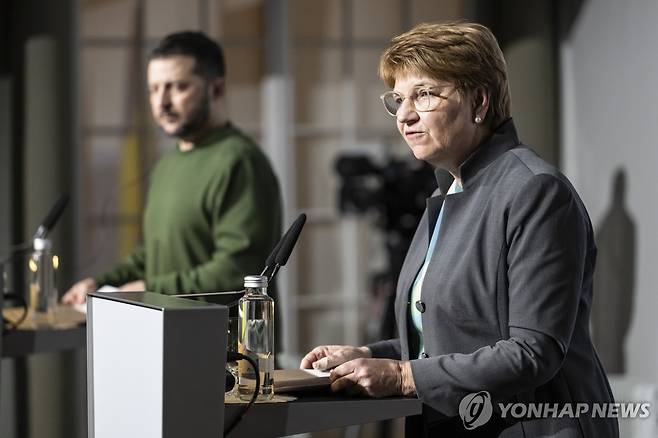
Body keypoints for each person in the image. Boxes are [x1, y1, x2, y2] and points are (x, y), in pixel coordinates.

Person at [301, 22, 618, 437]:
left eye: (425, 94)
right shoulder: (449, 191)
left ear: (479, 101)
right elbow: (454, 336)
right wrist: (364, 356)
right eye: (398, 99)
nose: (405, 115)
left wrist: (402, 376)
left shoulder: (536, 191)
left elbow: (533, 351)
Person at [63, 31, 281, 303]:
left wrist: (149, 288)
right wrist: (103, 283)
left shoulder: (240, 161)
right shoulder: (167, 164)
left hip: (227, 342)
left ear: (217, 89)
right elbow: (154, 257)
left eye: (177, 87)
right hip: (167, 339)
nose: (162, 102)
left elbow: (237, 273)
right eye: (154, 89)